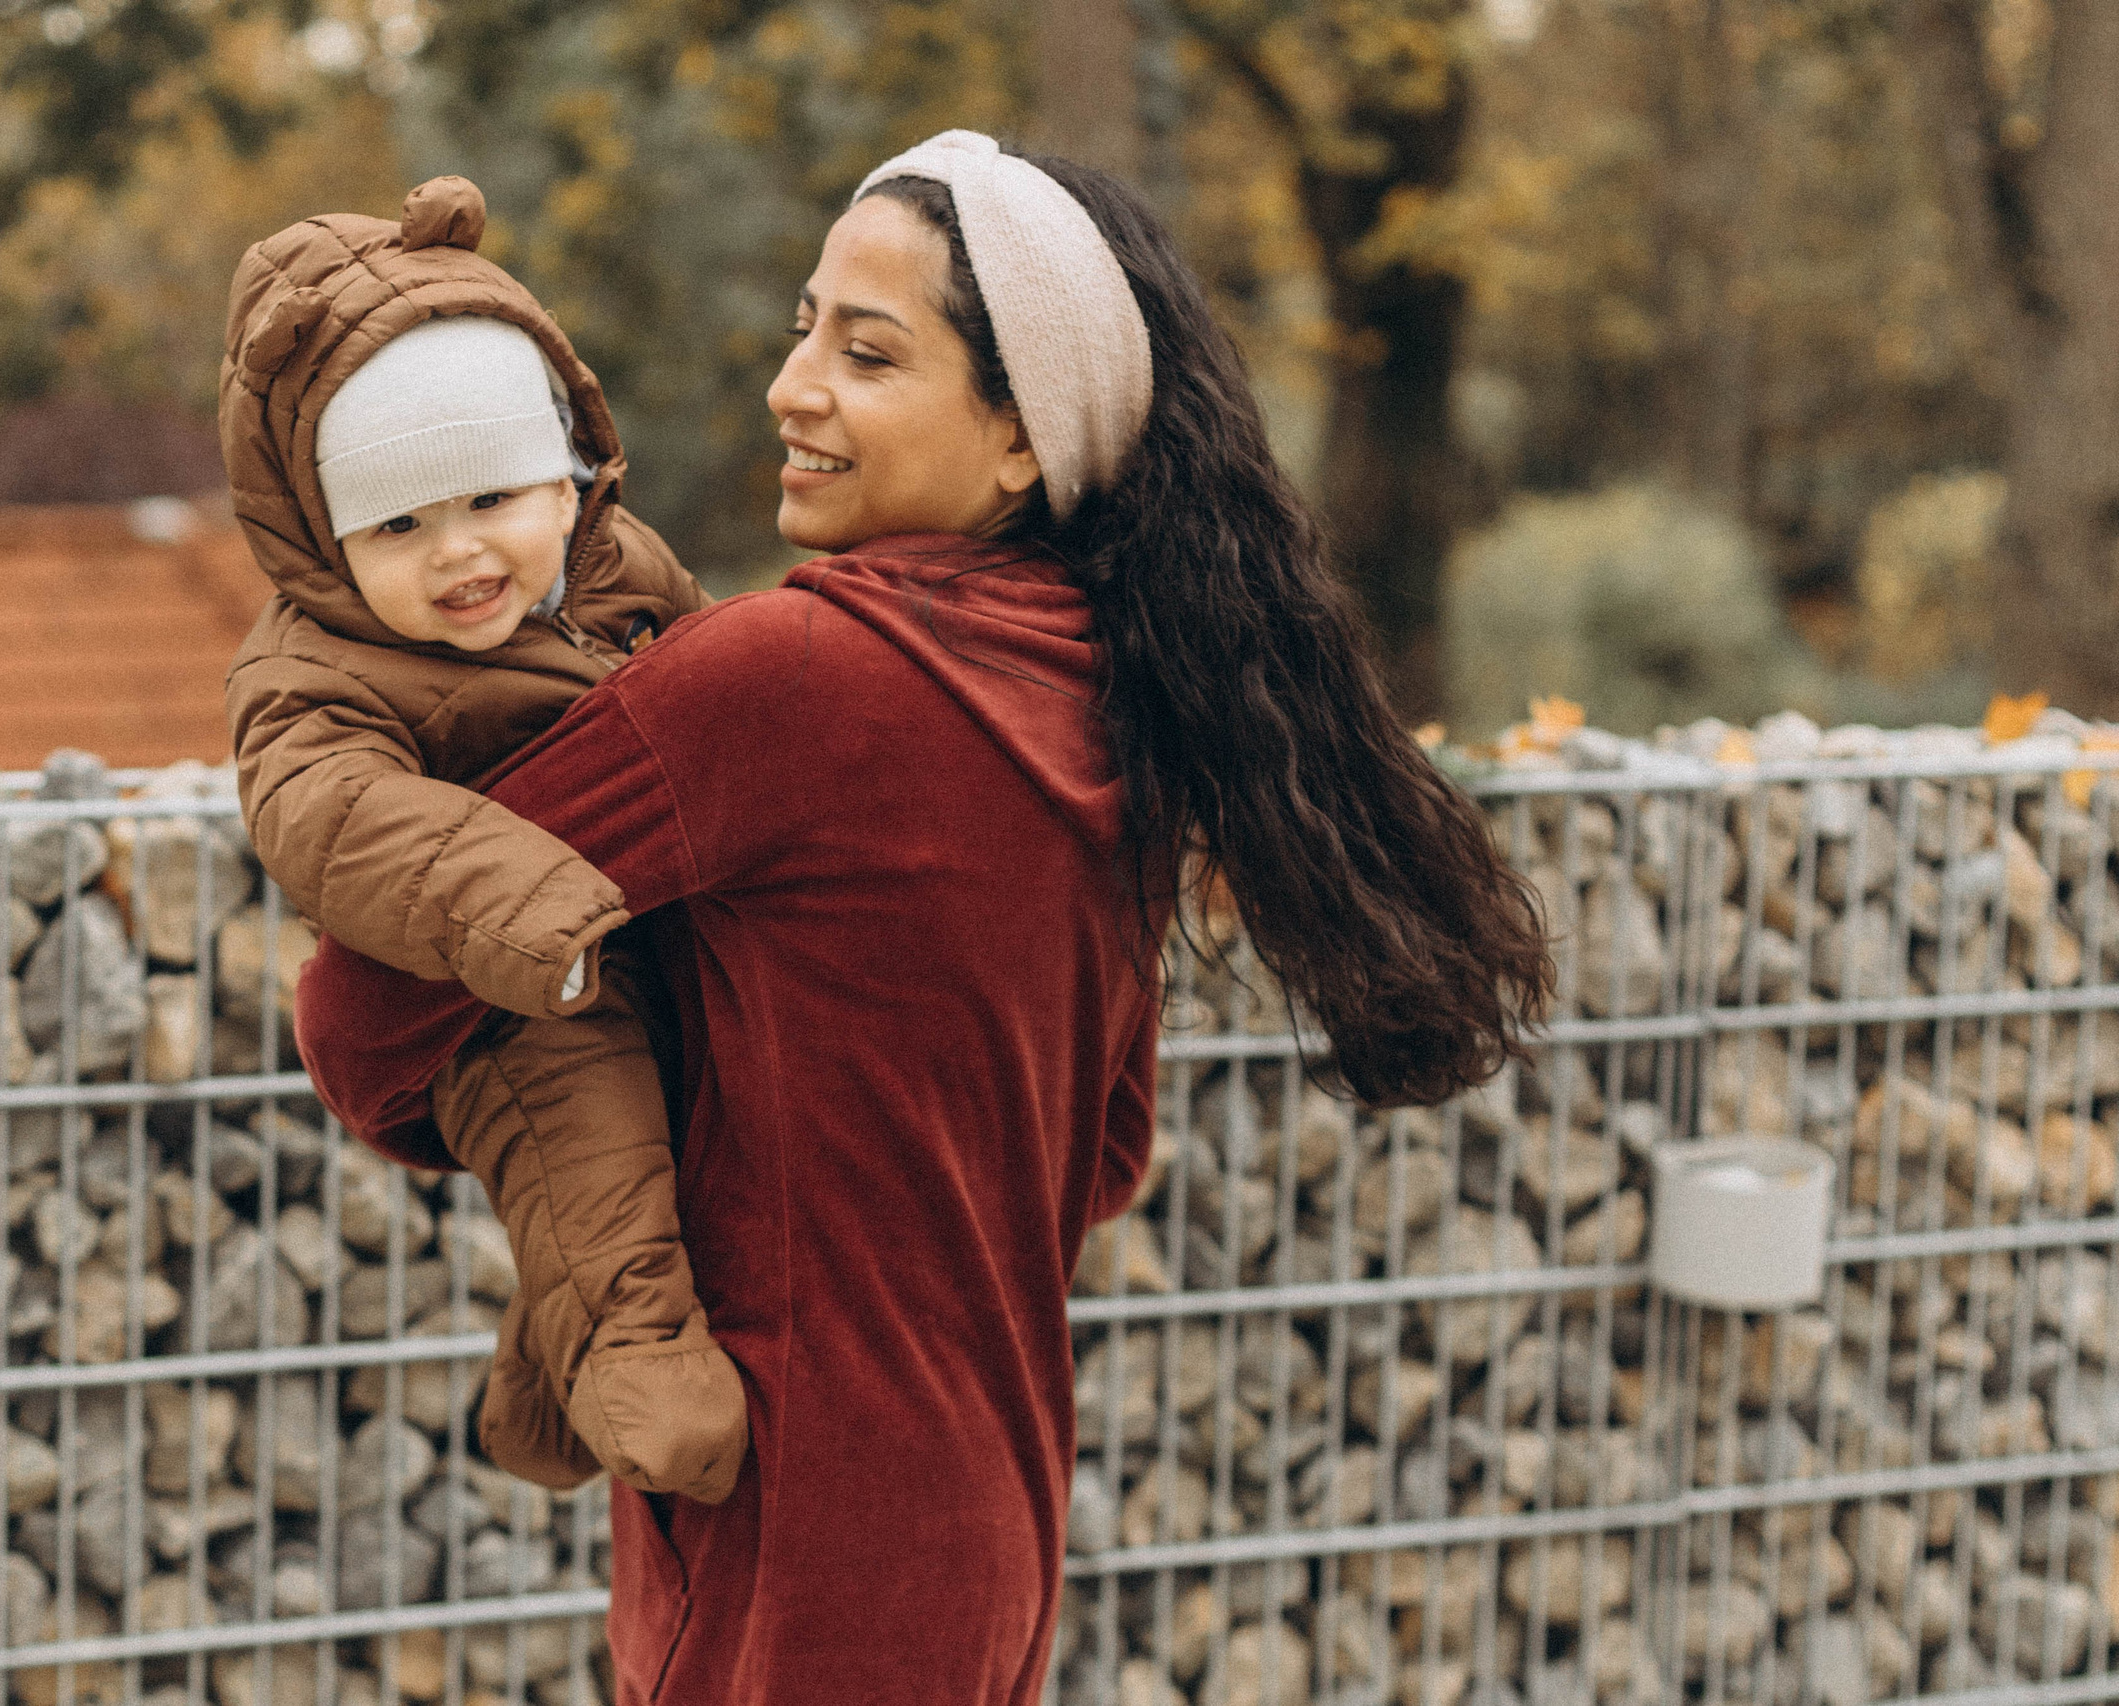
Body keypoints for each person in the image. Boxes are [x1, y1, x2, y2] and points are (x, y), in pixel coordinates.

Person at [292, 132, 1553, 1703]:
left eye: (864, 349)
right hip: (990, 1525)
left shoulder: (784, 679)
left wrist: (599, 1107)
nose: (792, 384)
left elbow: (360, 1019)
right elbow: (1098, 1159)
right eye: (805, 325)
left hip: (786, 1542)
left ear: (1021, 439)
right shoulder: (1120, 692)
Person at [219, 175, 749, 1503]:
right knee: (594, 1161)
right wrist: (514, 903)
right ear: (327, 539)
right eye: (399, 525)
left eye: (493, 499)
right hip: (499, 1003)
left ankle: (540, 1395)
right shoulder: (316, 667)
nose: (459, 553)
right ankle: (642, 1377)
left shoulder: (625, 569)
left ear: (569, 474)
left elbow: (715, 687)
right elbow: (330, 815)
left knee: (688, 1157)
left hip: (642, 930)